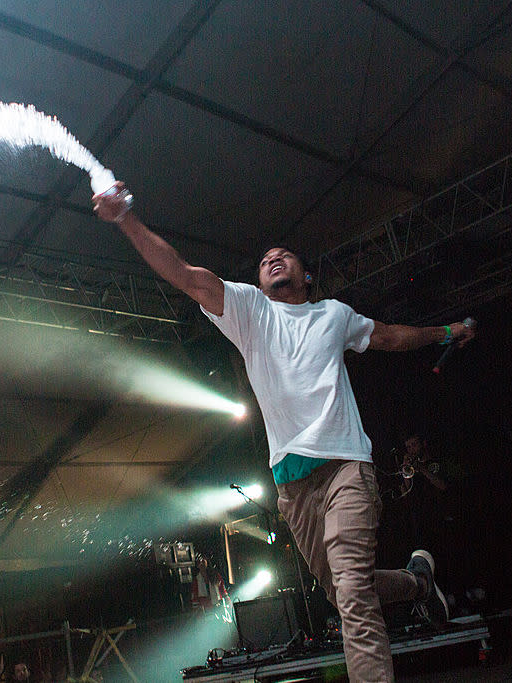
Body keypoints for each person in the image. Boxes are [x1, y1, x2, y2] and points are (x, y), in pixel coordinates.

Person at [93, 184, 475, 682]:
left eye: (285, 255)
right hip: (294, 490)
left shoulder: (333, 315)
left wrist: (444, 334)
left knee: (353, 600)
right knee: (344, 588)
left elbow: (389, 336)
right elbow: (184, 276)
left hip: (345, 471)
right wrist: (126, 219)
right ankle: (416, 584)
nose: (274, 258)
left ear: (305, 275)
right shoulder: (250, 312)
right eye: (266, 258)